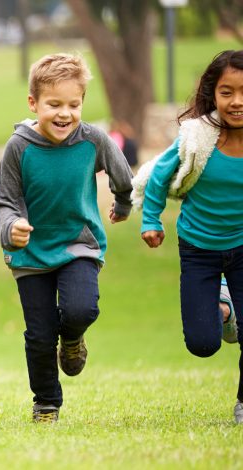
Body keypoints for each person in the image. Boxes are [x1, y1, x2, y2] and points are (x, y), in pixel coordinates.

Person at [0, 53, 133, 424]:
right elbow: (3, 202)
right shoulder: (18, 148)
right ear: (33, 103)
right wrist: (11, 229)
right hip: (30, 254)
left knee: (80, 309)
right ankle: (46, 403)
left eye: (74, 104)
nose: (64, 114)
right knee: (39, 335)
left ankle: (72, 340)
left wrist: (122, 202)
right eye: (54, 104)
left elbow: (122, 174)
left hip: (78, 245)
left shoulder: (92, 140)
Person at [137, 50, 243, 424]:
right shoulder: (198, 137)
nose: (238, 101)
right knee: (203, 344)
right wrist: (151, 220)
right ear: (214, 95)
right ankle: (223, 308)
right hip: (199, 248)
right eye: (227, 92)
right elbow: (158, 176)